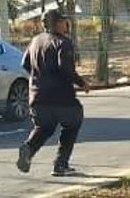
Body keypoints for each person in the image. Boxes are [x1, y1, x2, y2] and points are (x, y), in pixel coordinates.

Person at [17, 9, 89, 177]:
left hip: (37, 96)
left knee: (44, 127)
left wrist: (39, 78)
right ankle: (61, 164)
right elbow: (66, 69)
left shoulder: (36, 41)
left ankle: (28, 148)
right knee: (72, 122)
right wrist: (82, 83)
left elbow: (25, 64)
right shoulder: (63, 42)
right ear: (56, 23)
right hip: (61, 97)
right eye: (64, 20)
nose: (66, 24)